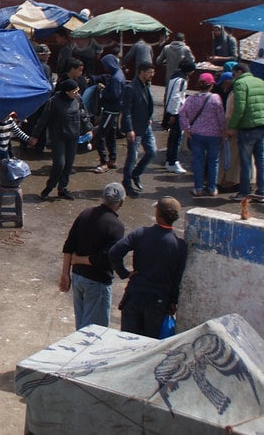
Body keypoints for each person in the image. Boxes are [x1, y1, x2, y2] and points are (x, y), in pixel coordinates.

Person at [109, 197, 188, 338]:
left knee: (127, 344)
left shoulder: (140, 233)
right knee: (149, 345)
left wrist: (124, 273)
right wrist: (172, 302)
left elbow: (114, 252)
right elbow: (177, 279)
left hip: (134, 296)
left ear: (157, 214)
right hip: (158, 303)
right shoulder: (180, 246)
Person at [59, 182, 126, 329]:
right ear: (120, 203)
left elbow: (69, 245)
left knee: (81, 328)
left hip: (78, 278)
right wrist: (77, 260)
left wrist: (65, 273)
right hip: (97, 283)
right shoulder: (116, 226)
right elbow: (103, 258)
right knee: (93, 334)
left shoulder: (85, 213)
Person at [31, 78, 85, 200]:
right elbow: (43, 119)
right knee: (59, 164)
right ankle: (49, 187)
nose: (77, 93)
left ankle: (63, 189)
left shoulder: (77, 99)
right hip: (58, 136)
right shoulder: (53, 102)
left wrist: (88, 129)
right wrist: (35, 135)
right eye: (74, 91)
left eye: (77, 91)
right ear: (66, 92)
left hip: (73, 136)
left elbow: (83, 114)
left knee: (68, 165)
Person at [180, 72, 227, 197]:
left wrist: (186, 129)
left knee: (198, 161)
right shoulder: (215, 98)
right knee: (213, 161)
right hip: (214, 135)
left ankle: (198, 188)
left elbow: (182, 113)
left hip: (196, 134)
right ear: (211, 85)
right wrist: (223, 131)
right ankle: (212, 188)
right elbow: (221, 117)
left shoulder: (190, 99)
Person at [226, 62, 264, 200]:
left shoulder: (240, 84)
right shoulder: (260, 81)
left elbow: (239, 108)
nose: (233, 76)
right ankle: (262, 192)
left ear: (239, 71)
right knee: (260, 160)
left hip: (247, 128)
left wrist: (231, 126)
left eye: (234, 73)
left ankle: (244, 192)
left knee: (246, 161)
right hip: (261, 126)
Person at [121, 62, 157, 197]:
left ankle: (136, 174)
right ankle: (127, 183)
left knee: (152, 152)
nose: (152, 75)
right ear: (141, 72)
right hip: (135, 128)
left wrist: (149, 117)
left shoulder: (146, 85)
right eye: (149, 72)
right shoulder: (131, 88)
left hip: (146, 125)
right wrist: (129, 129)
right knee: (132, 157)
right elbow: (126, 111)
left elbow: (147, 103)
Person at [91, 54, 124, 174]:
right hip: (115, 110)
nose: (105, 68)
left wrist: (102, 90)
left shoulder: (115, 78)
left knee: (100, 135)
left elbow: (113, 96)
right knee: (111, 134)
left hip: (110, 110)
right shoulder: (119, 74)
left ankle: (103, 162)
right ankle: (112, 159)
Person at [0, 112, 29, 195]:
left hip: (5, 149)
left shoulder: (10, 121)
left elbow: (18, 132)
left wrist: (28, 139)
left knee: (4, 168)